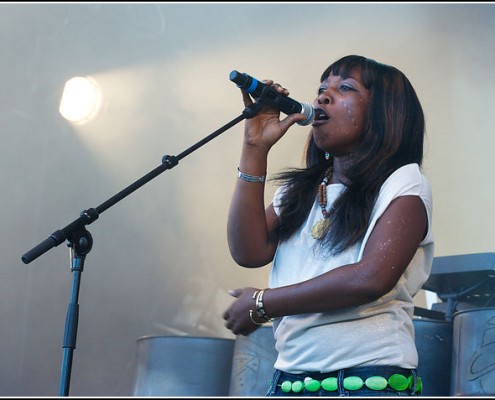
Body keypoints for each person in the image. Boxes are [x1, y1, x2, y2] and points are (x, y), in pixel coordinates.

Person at [222, 55, 433, 397]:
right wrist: (254, 148)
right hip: (290, 381)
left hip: (368, 380)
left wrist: (262, 303)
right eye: (322, 89)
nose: (322, 97)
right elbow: (248, 251)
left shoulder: (405, 183)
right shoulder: (301, 189)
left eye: (344, 88)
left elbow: (369, 278)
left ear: (385, 114)